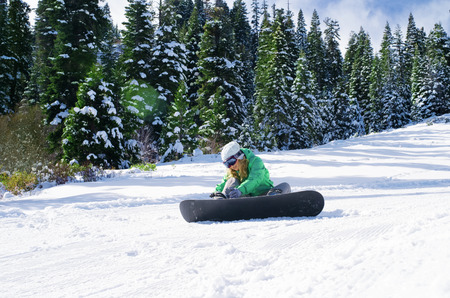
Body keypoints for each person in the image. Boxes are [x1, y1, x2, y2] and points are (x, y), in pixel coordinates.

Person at [210, 141, 291, 199]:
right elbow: (224, 182)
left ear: (239, 157)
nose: (230, 166)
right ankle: (222, 202)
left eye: (231, 161)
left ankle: (273, 198)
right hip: (247, 199)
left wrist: (240, 190)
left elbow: (255, 179)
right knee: (232, 180)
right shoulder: (232, 169)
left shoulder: (256, 161)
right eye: (227, 164)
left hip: (264, 195)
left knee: (285, 185)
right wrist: (218, 192)